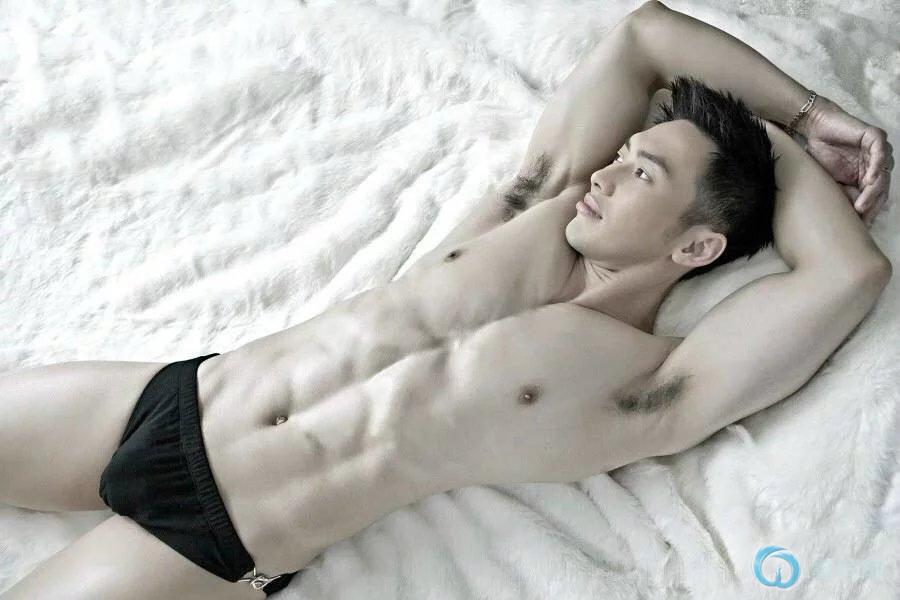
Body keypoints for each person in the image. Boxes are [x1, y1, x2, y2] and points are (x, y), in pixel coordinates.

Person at [0, 2, 893, 598]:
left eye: (643, 173)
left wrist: (774, 152)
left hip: (220, 534)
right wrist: (806, 113)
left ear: (696, 247)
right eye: (622, 155)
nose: (608, 172)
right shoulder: (527, 211)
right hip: (165, 400)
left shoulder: (648, 386)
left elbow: (846, 275)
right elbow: (643, 35)